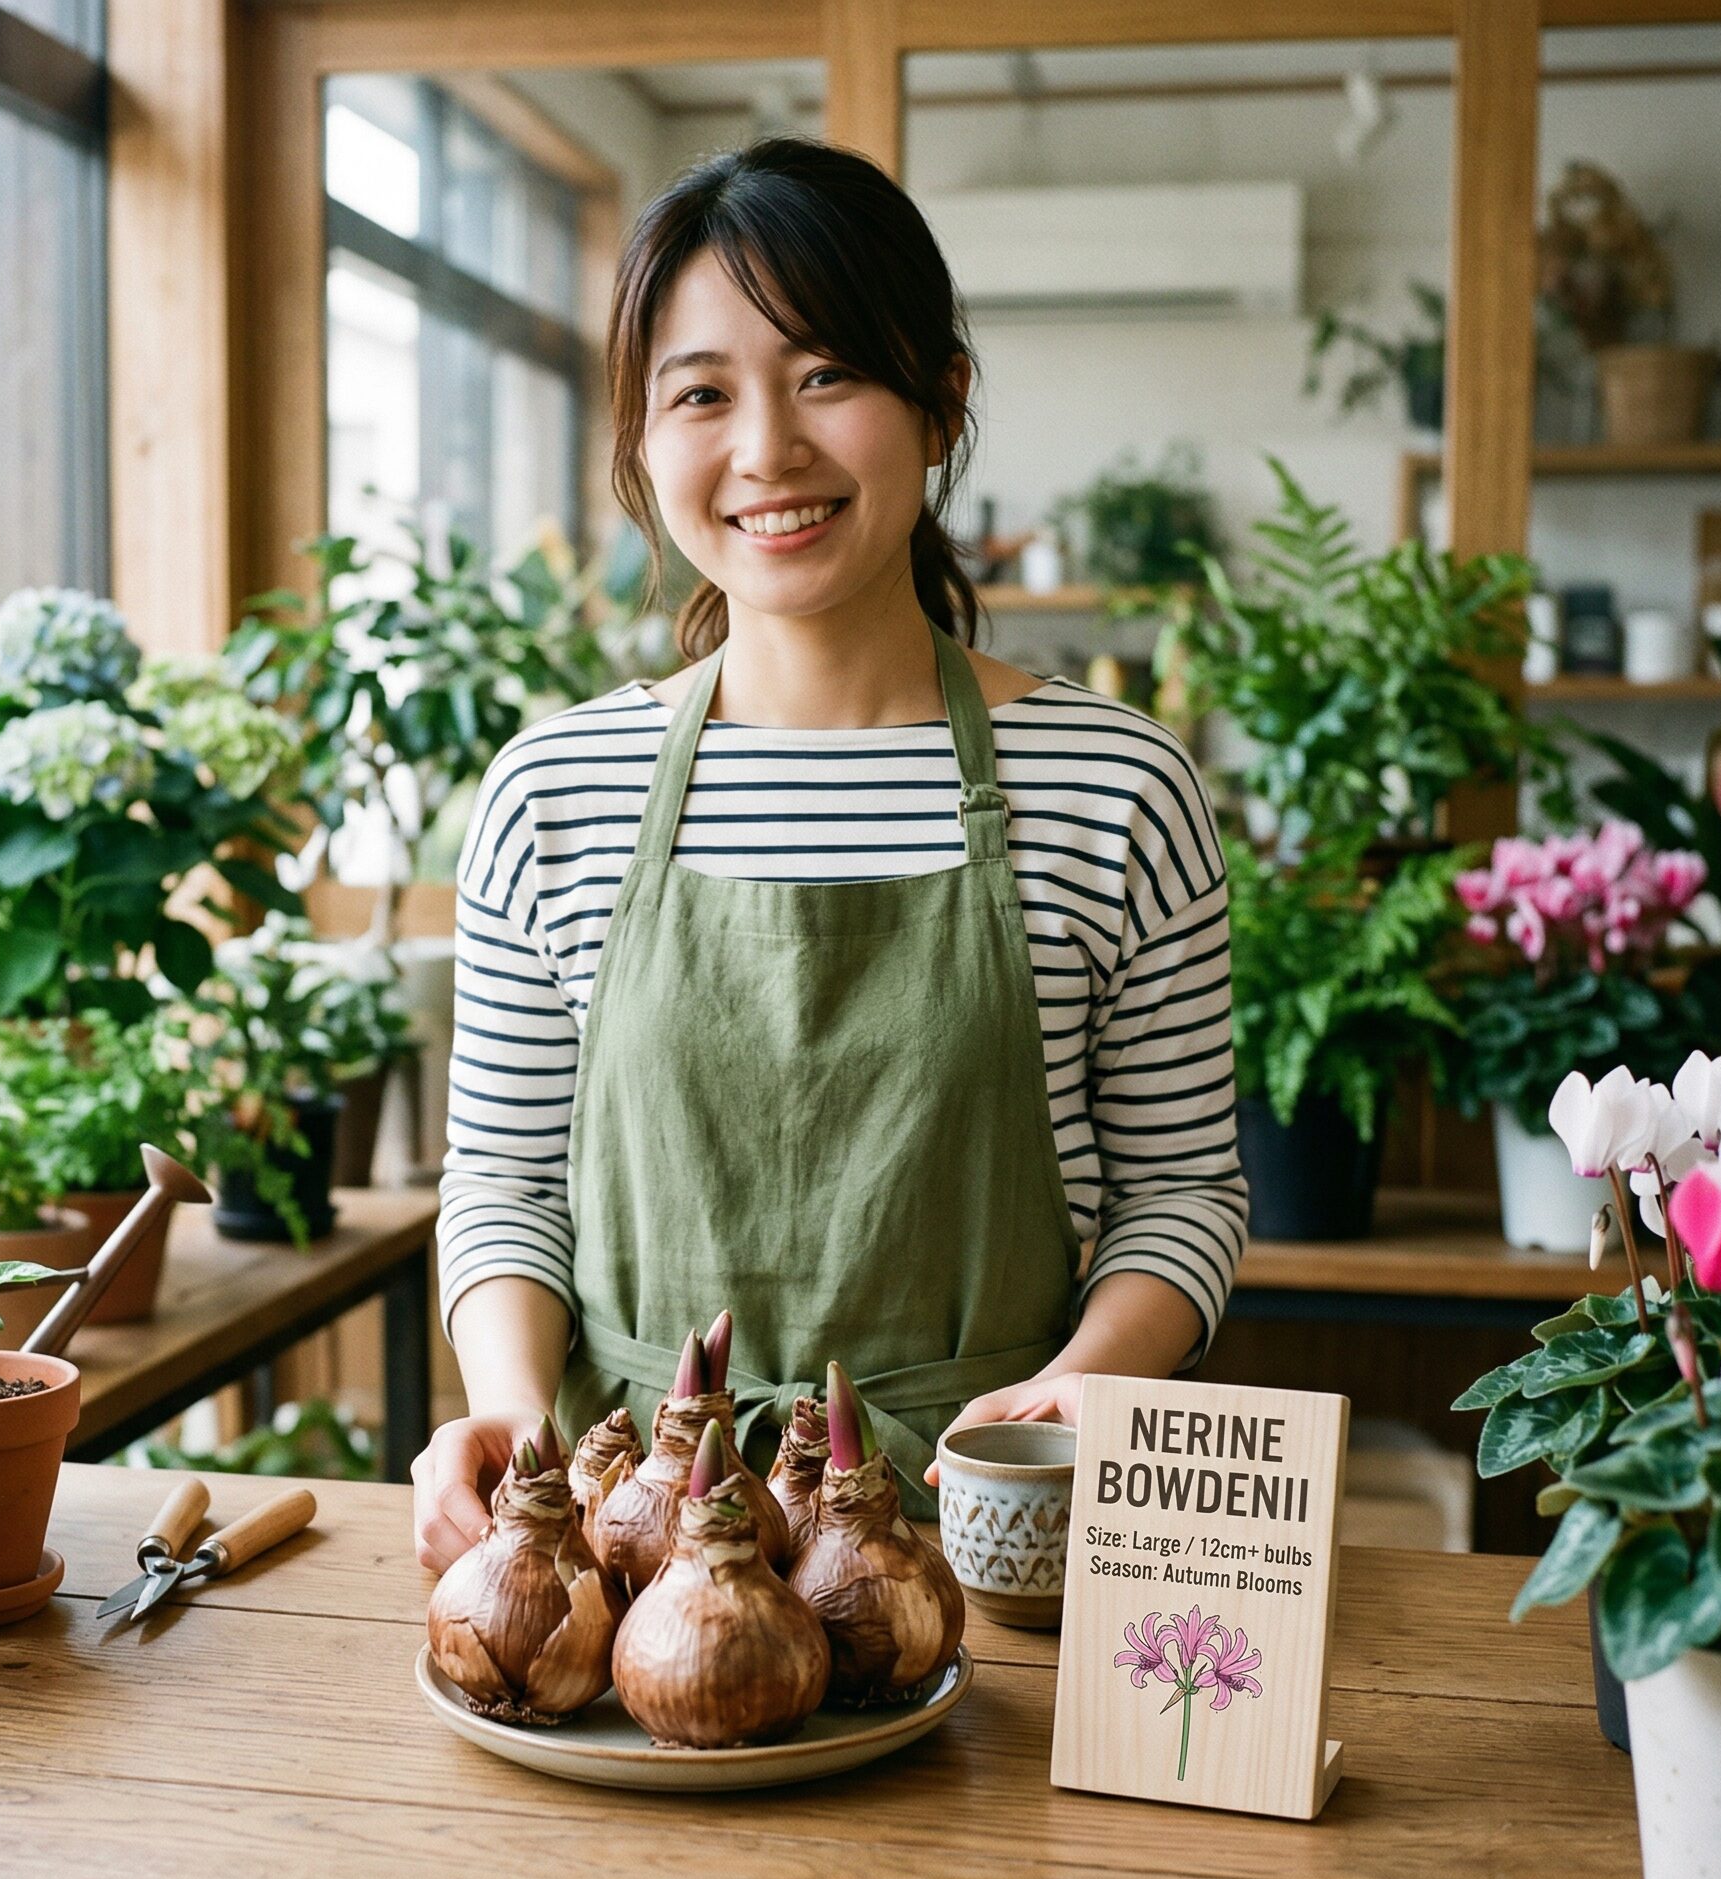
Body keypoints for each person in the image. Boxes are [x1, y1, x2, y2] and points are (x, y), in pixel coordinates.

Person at [413, 136, 1246, 1572]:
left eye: (826, 376)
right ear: (641, 443)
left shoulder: (1116, 785)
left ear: (940, 403)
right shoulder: (555, 790)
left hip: (990, 1531)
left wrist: (1091, 1380)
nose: (767, 451)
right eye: (701, 395)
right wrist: (507, 1417)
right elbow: (506, 1179)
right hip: (633, 1554)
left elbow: (1183, 1189)